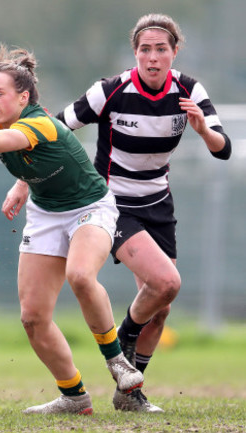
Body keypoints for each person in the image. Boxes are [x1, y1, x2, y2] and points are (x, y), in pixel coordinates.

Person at [0, 45, 159, 415]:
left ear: (24, 96)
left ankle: (117, 361)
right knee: (33, 317)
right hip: (45, 213)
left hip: (90, 208)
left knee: (81, 276)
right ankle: (74, 396)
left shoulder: (40, 123)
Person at [52, 13, 231, 410]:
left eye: (161, 49)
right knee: (167, 283)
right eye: (145, 49)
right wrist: (24, 179)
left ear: (174, 52)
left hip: (158, 203)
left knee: (161, 308)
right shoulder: (111, 90)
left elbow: (224, 149)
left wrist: (203, 130)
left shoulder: (188, 89)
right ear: (135, 52)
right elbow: (55, 128)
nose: (152, 57)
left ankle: (128, 394)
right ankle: (123, 337)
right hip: (111, 205)